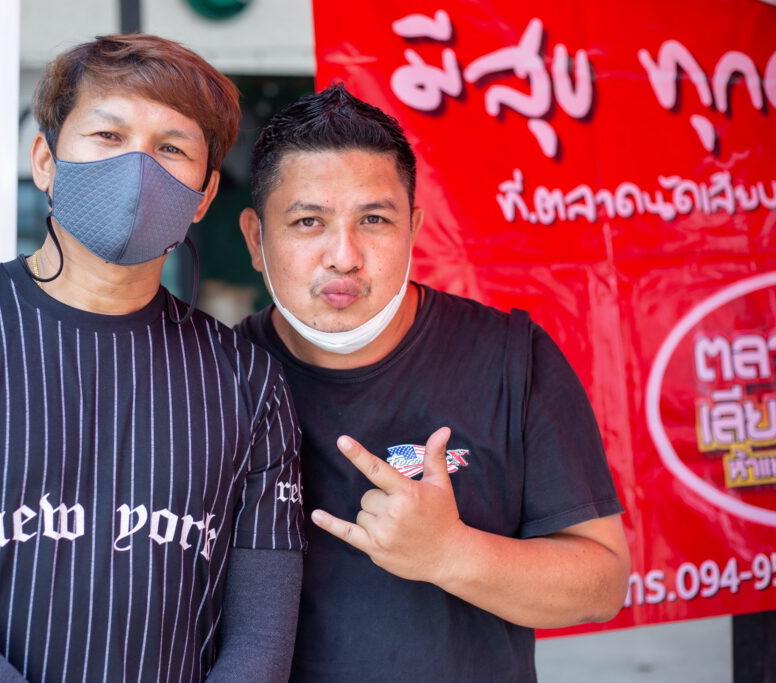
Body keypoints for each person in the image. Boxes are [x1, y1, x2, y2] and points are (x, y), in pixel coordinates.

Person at [0, 34, 304, 682]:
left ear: (203, 194)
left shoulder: (247, 380)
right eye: (108, 136)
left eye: (171, 148)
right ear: (45, 162)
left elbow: (260, 640)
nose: (138, 170)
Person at [236, 84, 630, 681]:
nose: (343, 255)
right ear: (255, 239)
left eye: (374, 219)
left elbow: (602, 585)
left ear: (413, 229)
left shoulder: (512, 358)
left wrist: (453, 554)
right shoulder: (217, 377)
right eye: (308, 221)